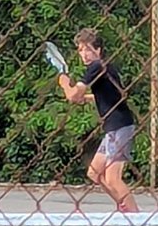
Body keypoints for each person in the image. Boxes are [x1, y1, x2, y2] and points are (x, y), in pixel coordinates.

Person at [57, 28, 140, 213]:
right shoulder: (105, 67)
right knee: (94, 173)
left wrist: (64, 83)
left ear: (99, 50)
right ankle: (124, 207)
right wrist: (84, 97)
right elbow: (109, 95)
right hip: (113, 128)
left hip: (120, 126)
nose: (84, 54)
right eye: (80, 50)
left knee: (112, 179)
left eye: (88, 49)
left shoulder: (96, 66)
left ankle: (135, 220)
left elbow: (72, 95)